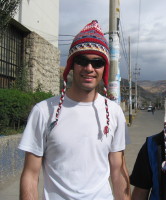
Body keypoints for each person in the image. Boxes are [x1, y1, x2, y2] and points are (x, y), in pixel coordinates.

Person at [18, 20, 131, 200]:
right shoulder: (43, 111)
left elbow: (118, 172)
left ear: (105, 69)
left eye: (97, 63)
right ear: (71, 65)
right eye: (81, 61)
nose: (89, 68)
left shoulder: (115, 113)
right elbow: (31, 175)